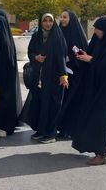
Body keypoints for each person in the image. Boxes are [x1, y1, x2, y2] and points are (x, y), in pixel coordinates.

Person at [72, 16, 106, 166]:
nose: (97, 32)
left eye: (100, 29)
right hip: (95, 89)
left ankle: (101, 154)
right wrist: (84, 56)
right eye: (96, 28)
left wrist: (91, 60)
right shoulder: (98, 42)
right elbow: (93, 56)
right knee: (95, 119)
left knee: (101, 121)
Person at [19, 13, 69, 144]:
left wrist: (64, 75)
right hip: (40, 78)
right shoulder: (37, 36)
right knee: (41, 104)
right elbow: (30, 51)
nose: (48, 23)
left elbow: (62, 58)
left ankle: (50, 133)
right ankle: (41, 131)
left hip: (54, 78)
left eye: (50, 21)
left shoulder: (58, 37)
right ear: (41, 22)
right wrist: (35, 57)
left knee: (52, 105)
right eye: (45, 21)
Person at [56, 10, 88, 139]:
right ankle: (59, 127)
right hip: (59, 73)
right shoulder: (58, 33)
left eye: (65, 17)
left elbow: (81, 54)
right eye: (61, 17)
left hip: (74, 75)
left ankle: (68, 129)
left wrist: (70, 59)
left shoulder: (76, 36)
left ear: (72, 19)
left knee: (70, 102)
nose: (62, 19)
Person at [0, 10, 22, 137]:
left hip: (4, 77)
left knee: (4, 100)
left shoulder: (6, 40)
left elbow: (8, 60)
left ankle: (4, 125)